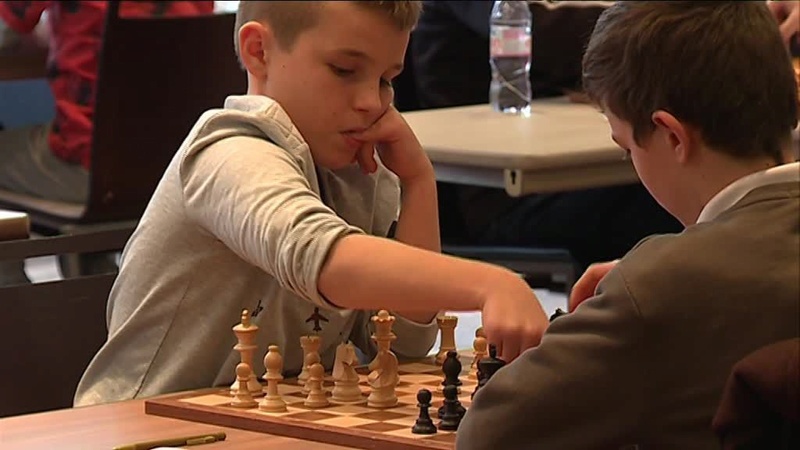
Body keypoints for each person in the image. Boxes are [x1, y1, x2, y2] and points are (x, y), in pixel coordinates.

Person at [74, 0, 548, 406]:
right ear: (258, 51)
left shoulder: (355, 173)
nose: (370, 101)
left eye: (386, 80)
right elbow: (322, 259)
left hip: (262, 419)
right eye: (345, 70)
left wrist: (418, 183)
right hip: (143, 424)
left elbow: (403, 343)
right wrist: (491, 283)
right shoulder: (228, 153)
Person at [457, 2, 800, 448]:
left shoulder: (662, 287)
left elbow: (489, 434)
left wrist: (638, 294)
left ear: (672, 136)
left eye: (627, 149)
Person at [410, 0, 683, 272]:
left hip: (566, 167)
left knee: (681, 176)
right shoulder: (504, 11)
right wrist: (658, 18)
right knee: (671, 193)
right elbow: (566, 39)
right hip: (502, 197)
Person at [0, 1, 214, 285]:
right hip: (179, 165)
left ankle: (17, 313)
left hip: (90, 167)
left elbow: (7, 30)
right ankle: (97, 293)